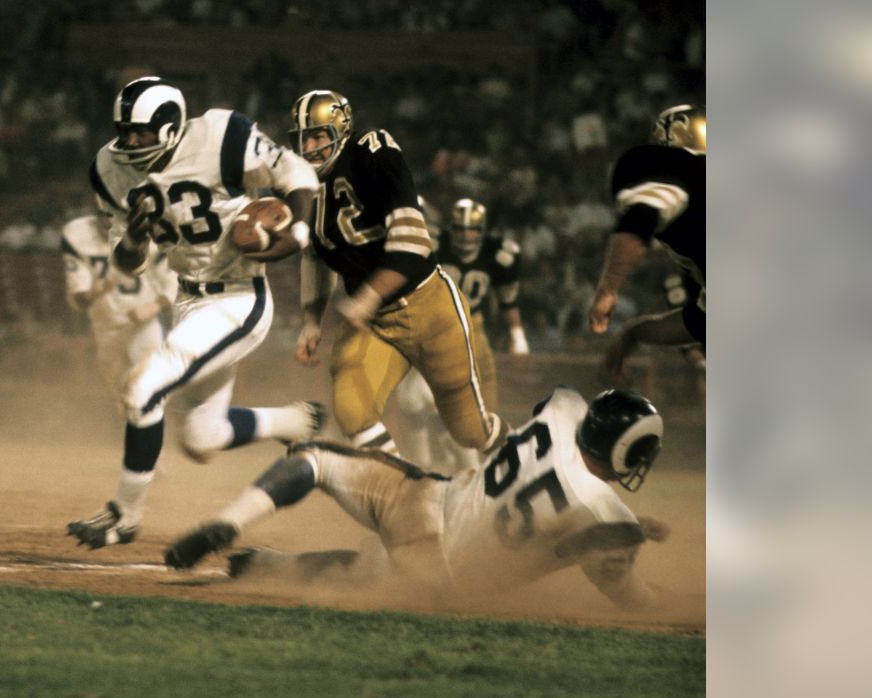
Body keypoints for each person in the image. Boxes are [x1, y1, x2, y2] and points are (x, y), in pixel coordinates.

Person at [67, 77, 324, 549]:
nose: (128, 143)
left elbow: (299, 175)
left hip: (239, 297)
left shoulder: (220, 135)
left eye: (139, 133)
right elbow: (128, 263)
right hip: (189, 299)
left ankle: (124, 515)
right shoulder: (109, 168)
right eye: (123, 132)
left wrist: (300, 232)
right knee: (202, 438)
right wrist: (134, 237)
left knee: (144, 387)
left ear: (168, 128)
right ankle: (295, 422)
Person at [164, 387, 669, 611]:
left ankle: (230, 524)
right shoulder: (607, 517)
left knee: (316, 459)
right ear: (630, 454)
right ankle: (266, 567)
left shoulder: (564, 410)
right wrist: (626, 536)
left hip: (428, 503)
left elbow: (549, 468)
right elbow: (626, 596)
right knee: (367, 572)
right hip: (444, 582)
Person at [288, 90, 503, 458]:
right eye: (302, 137)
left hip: (428, 305)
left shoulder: (372, 152)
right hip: (372, 321)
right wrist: (312, 320)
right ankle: (410, 497)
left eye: (318, 135)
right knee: (353, 411)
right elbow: (314, 255)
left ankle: (520, 459)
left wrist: (367, 298)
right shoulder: (301, 185)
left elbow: (412, 244)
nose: (308, 146)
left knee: (469, 431)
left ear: (341, 130)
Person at [397, 198, 530, 470]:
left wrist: (517, 335)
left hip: (472, 327)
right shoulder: (433, 244)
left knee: (482, 404)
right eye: (460, 229)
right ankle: (435, 461)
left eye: (471, 230)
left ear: (481, 231)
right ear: (451, 228)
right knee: (415, 398)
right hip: (433, 325)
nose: (465, 236)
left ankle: (475, 463)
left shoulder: (499, 253)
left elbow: (507, 297)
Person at [589, 104, 706, 349]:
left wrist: (608, 289)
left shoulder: (680, 168)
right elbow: (700, 323)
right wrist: (632, 333)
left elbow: (641, 218)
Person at [61, 211, 177, 399]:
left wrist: (153, 308)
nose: (108, 219)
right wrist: (93, 293)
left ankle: (165, 426)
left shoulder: (149, 230)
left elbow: (173, 282)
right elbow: (78, 299)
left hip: (145, 327)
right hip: (106, 328)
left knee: (154, 389)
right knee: (124, 398)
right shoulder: (78, 233)